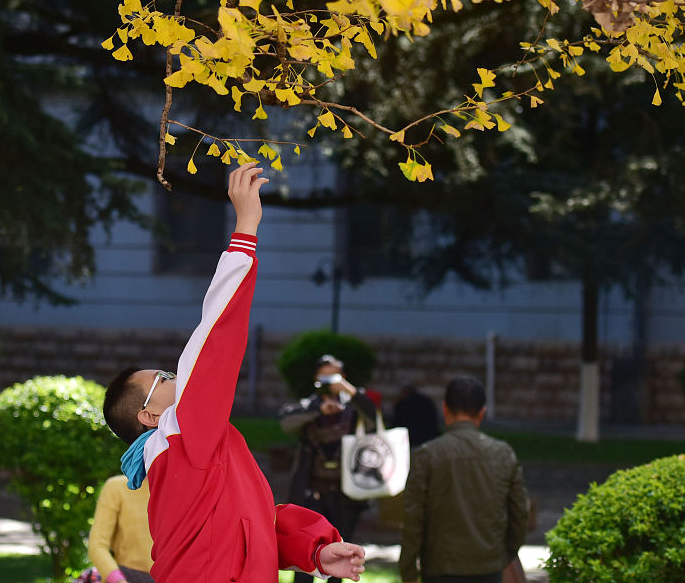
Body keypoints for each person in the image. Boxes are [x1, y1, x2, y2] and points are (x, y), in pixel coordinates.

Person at [102, 163, 365, 583]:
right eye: (165, 378)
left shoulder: (196, 452)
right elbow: (215, 340)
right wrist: (245, 230)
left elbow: (251, 522)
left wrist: (315, 551)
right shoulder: (180, 436)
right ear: (149, 417)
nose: (177, 377)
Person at [398, 376, 531, 583]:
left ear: (445, 409)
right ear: (482, 413)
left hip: (440, 567)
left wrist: (408, 572)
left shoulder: (428, 455)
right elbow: (520, 512)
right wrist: (505, 554)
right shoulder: (503, 453)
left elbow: (413, 519)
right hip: (489, 566)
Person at [279, 354, 377, 583]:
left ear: (343, 377)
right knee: (304, 554)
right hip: (311, 494)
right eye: (324, 377)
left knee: (340, 555)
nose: (328, 383)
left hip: (344, 494)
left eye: (333, 376)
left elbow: (374, 417)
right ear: (316, 378)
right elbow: (286, 421)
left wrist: (349, 391)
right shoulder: (308, 406)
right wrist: (318, 411)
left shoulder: (354, 408)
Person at [86, 474, 154, 583]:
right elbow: (97, 545)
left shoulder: (181, 488)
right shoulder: (116, 487)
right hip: (129, 577)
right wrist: (118, 580)